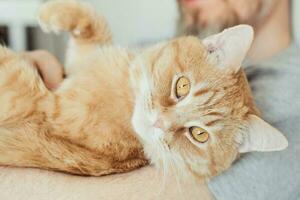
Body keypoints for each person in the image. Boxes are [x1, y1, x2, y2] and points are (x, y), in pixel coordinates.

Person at [0, 0, 299, 199]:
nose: (163, 121)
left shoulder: (290, 90)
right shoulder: (160, 52)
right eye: (181, 88)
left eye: (197, 132)